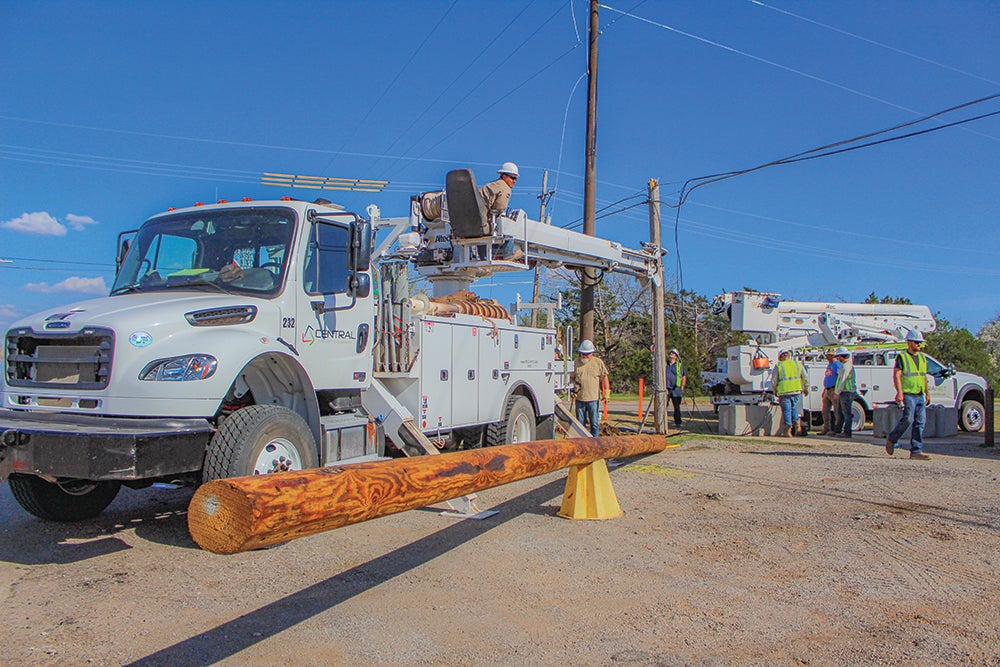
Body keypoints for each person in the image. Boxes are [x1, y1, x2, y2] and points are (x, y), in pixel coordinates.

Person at [886, 330, 932, 459]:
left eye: (920, 343)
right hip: (908, 394)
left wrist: (927, 393)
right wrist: (899, 392)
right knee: (908, 419)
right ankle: (892, 438)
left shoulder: (922, 358)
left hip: (919, 394)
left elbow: (923, 377)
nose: (919, 345)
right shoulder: (903, 357)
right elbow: (897, 375)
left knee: (920, 422)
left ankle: (916, 451)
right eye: (917, 342)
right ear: (910, 342)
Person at [481, 162, 522, 261]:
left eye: (516, 178)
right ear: (504, 176)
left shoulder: (491, 185)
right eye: (512, 178)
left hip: (473, 220)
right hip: (482, 221)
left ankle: (483, 256)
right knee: (508, 225)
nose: (514, 181)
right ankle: (508, 254)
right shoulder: (504, 188)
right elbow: (499, 208)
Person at [572, 339, 610, 437]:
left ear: (592, 353)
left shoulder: (598, 362)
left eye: (587, 354)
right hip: (580, 399)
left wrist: (606, 391)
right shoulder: (576, 363)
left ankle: (595, 443)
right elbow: (571, 378)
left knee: (594, 424)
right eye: (583, 354)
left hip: (593, 399)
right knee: (580, 424)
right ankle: (581, 444)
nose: (585, 356)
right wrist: (572, 388)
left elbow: (604, 377)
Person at [770, 350, 809, 437]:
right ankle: (797, 426)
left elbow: (774, 380)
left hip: (784, 392)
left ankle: (787, 430)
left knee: (787, 410)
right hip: (796, 391)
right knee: (793, 408)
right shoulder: (797, 364)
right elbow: (805, 377)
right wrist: (805, 388)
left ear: (780, 357)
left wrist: (774, 390)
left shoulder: (779, 365)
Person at [832, 347, 856, 438]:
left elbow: (843, 380)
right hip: (845, 392)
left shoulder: (846, 367)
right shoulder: (846, 365)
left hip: (847, 392)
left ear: (841, 357)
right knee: (841, 412)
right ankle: (838, 430)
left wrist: (837, 392)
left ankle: (847, 432)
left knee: (846, 413)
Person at [820, 350, 842, 435]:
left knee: (836, 410)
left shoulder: (837, 365)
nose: (826, 357)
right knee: (825, 410)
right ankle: (826, 428)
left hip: (833, 389)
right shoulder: (829, 365)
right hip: (827, 389)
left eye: (828, 355)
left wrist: (837, 391)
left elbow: (839, 378)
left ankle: (836, 429)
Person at [665, 348, 687, 428]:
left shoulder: (679, 366)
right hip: (666, 388)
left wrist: (682, 386)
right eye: (671, 353)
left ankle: (678, 422)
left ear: (676, 356)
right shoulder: (665, 364)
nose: (671, 354)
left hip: (676, 389)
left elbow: (684, 376)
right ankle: (663, 422)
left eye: (673, 353)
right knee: (663, 406)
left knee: (676, 407)